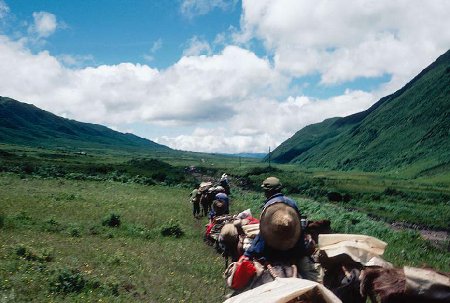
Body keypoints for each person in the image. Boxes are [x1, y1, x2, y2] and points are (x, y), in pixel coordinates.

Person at [244, 176, 319, 281]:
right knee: (313, 277)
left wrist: (248, 253)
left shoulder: (269, 206)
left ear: (268, 191)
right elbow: (298, 229)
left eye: (265, 191)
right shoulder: (292, 203)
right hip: (294, 251)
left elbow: (263, 236)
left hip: (272, 252)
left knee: (250, 279)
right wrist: (301, 249)